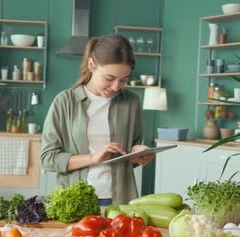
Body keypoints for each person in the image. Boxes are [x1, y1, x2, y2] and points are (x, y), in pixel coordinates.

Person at [40, 34, 155, 206]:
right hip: (75, 202)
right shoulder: (65, 102)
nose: (116, 86)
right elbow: (48, 158)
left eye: (123, 79)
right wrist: (93, 158)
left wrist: (139, 154)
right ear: (92, 64)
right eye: (109, 78)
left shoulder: (131, 102)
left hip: (121, 200)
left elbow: (131, 152)